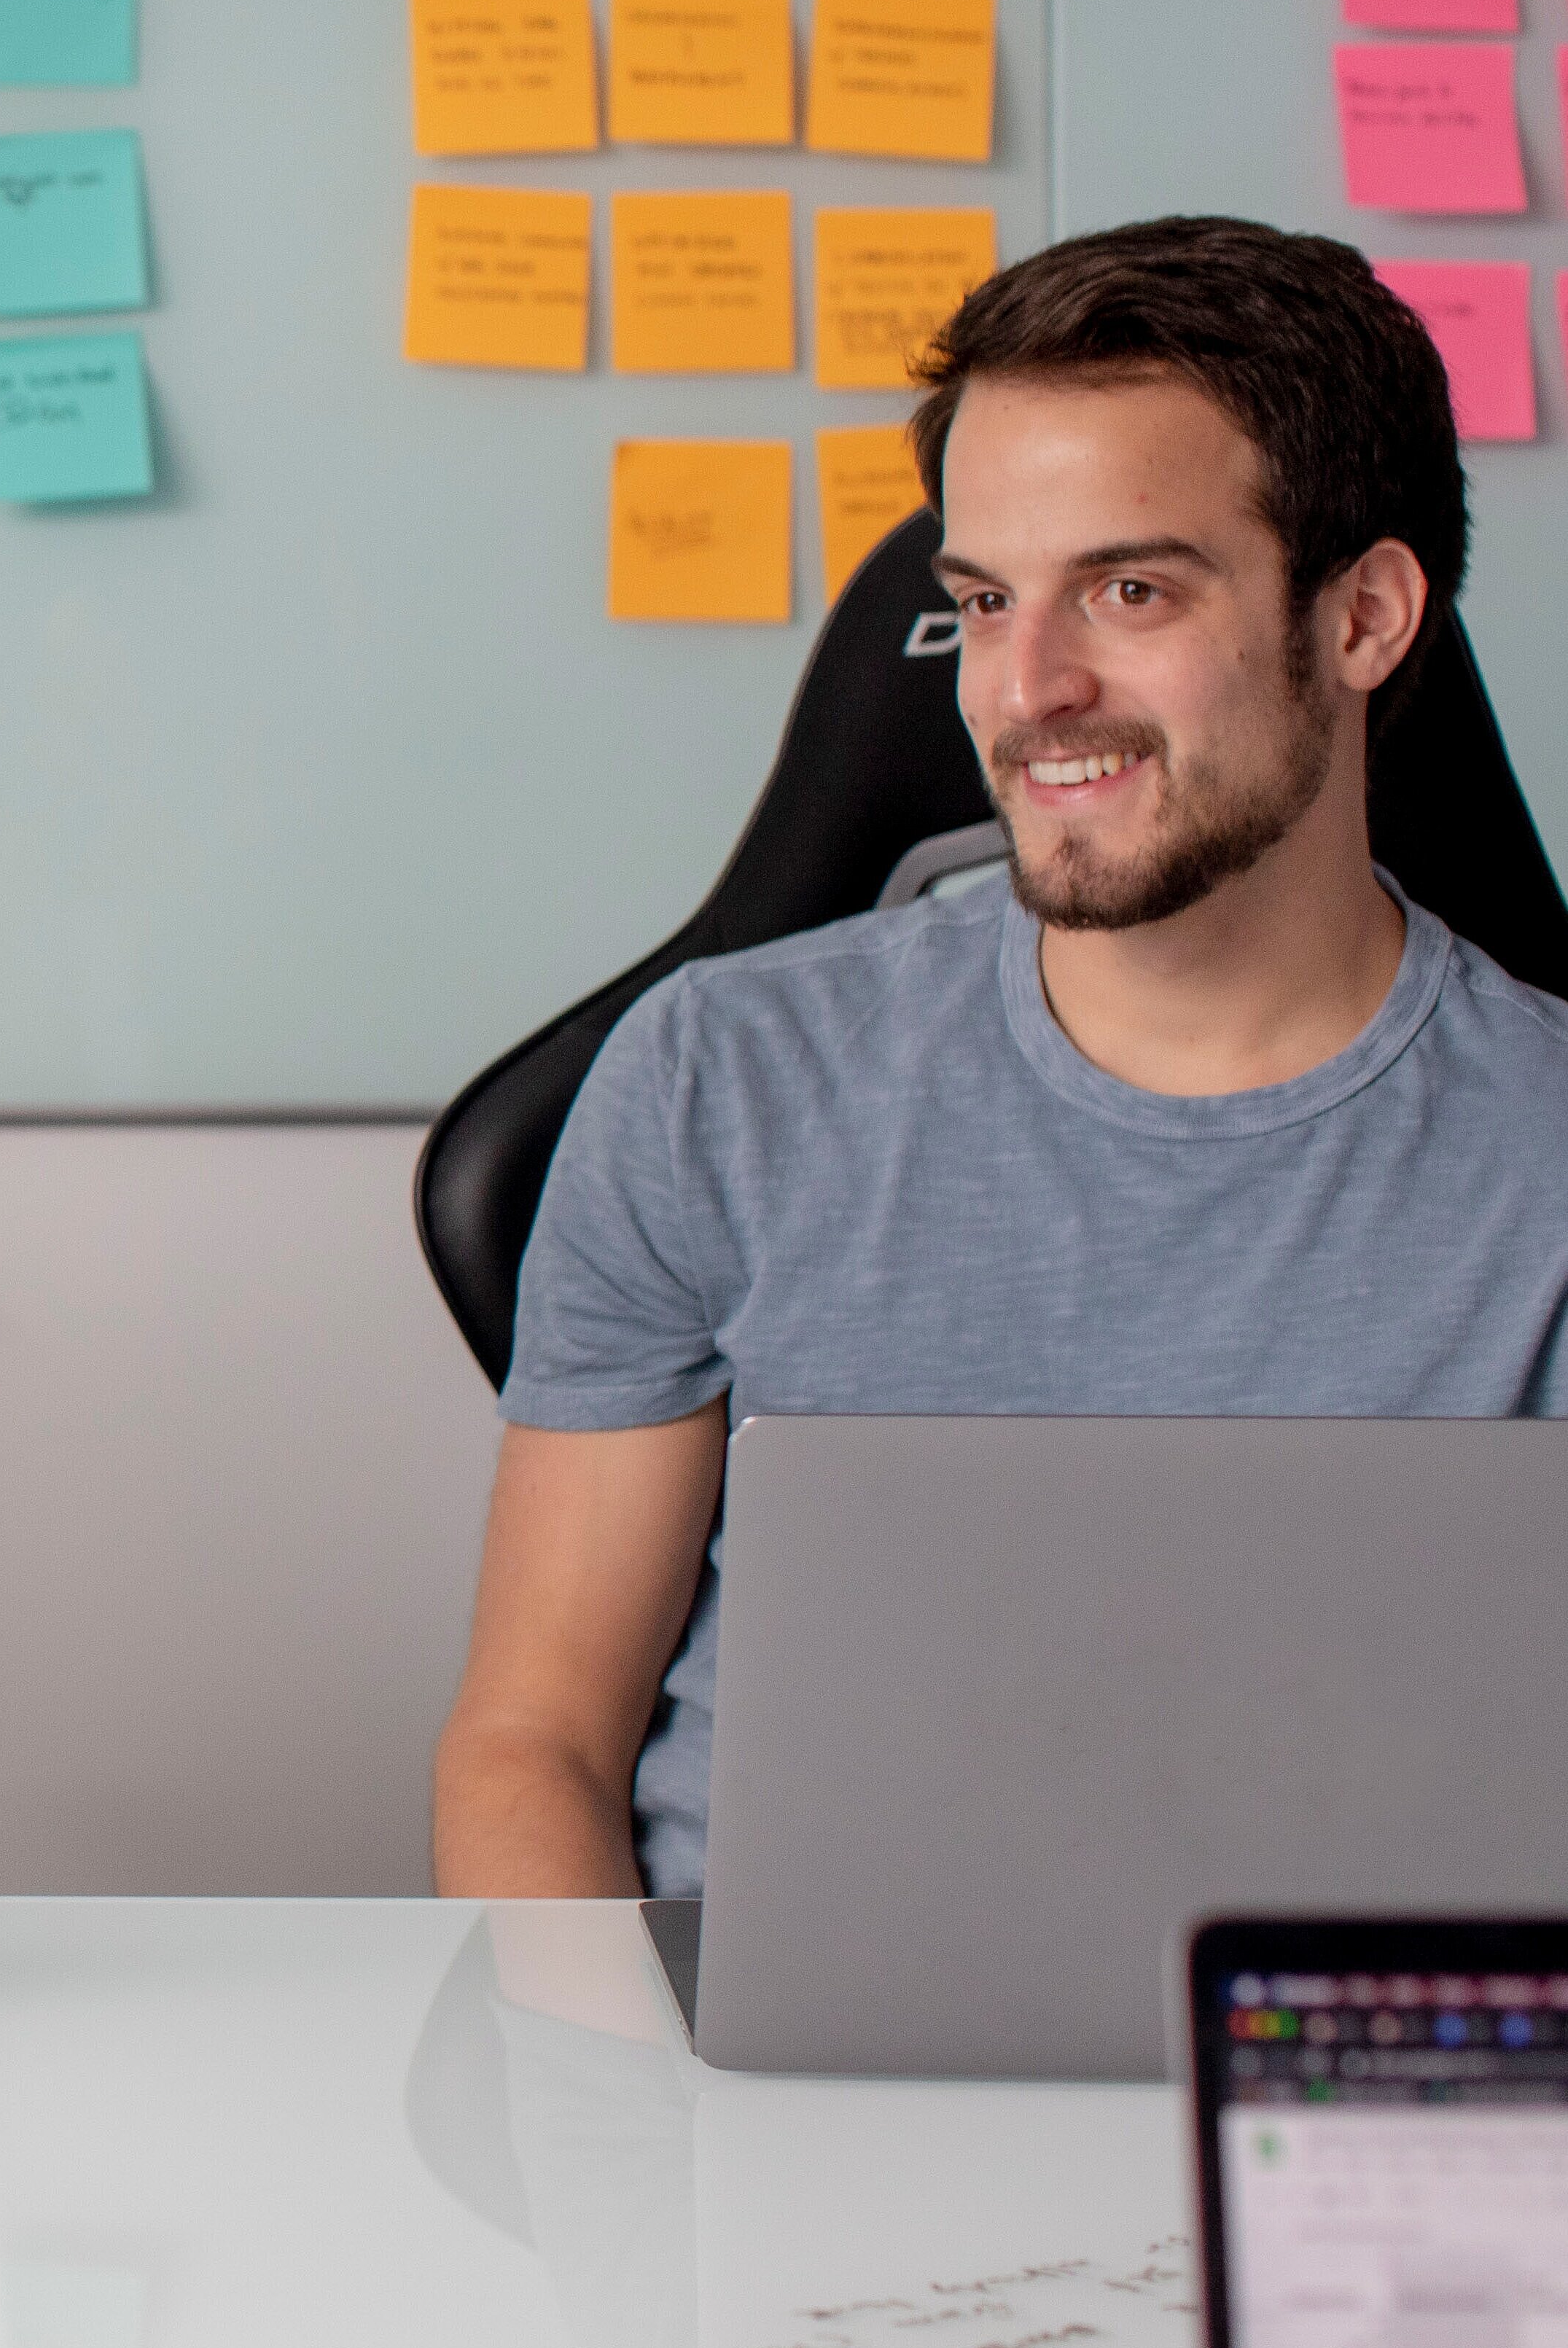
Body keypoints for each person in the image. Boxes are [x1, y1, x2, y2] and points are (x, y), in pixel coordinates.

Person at [435, 217, 1568, 1899]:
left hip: (1357, 2086)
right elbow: (536, 1743)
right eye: (980, 598)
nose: (1024, 689)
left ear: (1362, 616)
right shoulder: (714, 1082)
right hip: (758, 2088)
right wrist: (616, 2129)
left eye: (1126, 588)